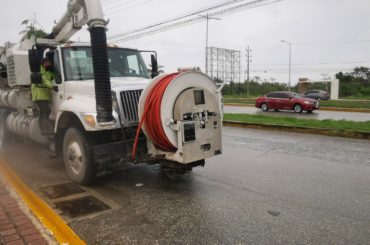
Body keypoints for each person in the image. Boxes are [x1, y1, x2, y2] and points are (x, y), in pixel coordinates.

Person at [31, 58, 57, 135]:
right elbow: (45, 81)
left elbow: (52, 76)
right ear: (43, 63)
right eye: (47, 63)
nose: (49, 64)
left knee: (43, 111)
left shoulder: (47, 71)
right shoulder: (41, 71)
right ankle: (45, 129)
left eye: (49, 62)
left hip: (44, 95)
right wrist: (52, 86)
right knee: (46, 110)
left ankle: (43, 129)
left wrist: (54, 72)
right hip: (39, 95)